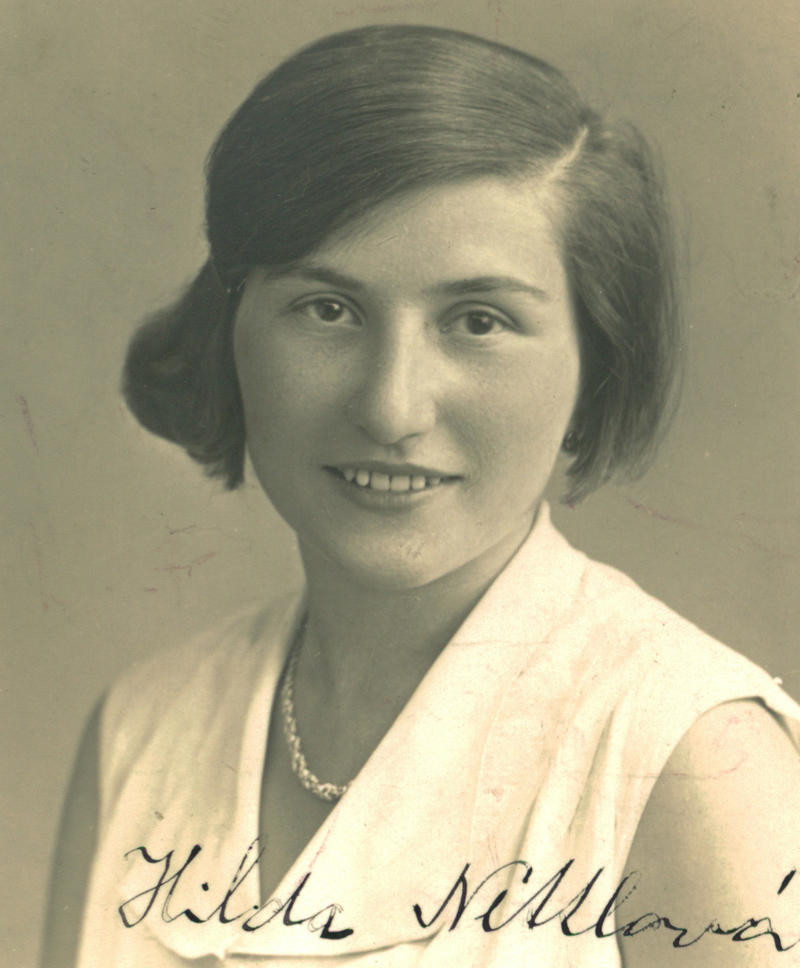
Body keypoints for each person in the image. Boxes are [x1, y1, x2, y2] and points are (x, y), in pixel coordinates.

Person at [43, 24, 800, 968]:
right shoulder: (142, 729)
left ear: (594, 366)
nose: (390, 407)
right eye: (329, 309)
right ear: (232, 329)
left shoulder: (690, 760)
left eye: (478, 321)